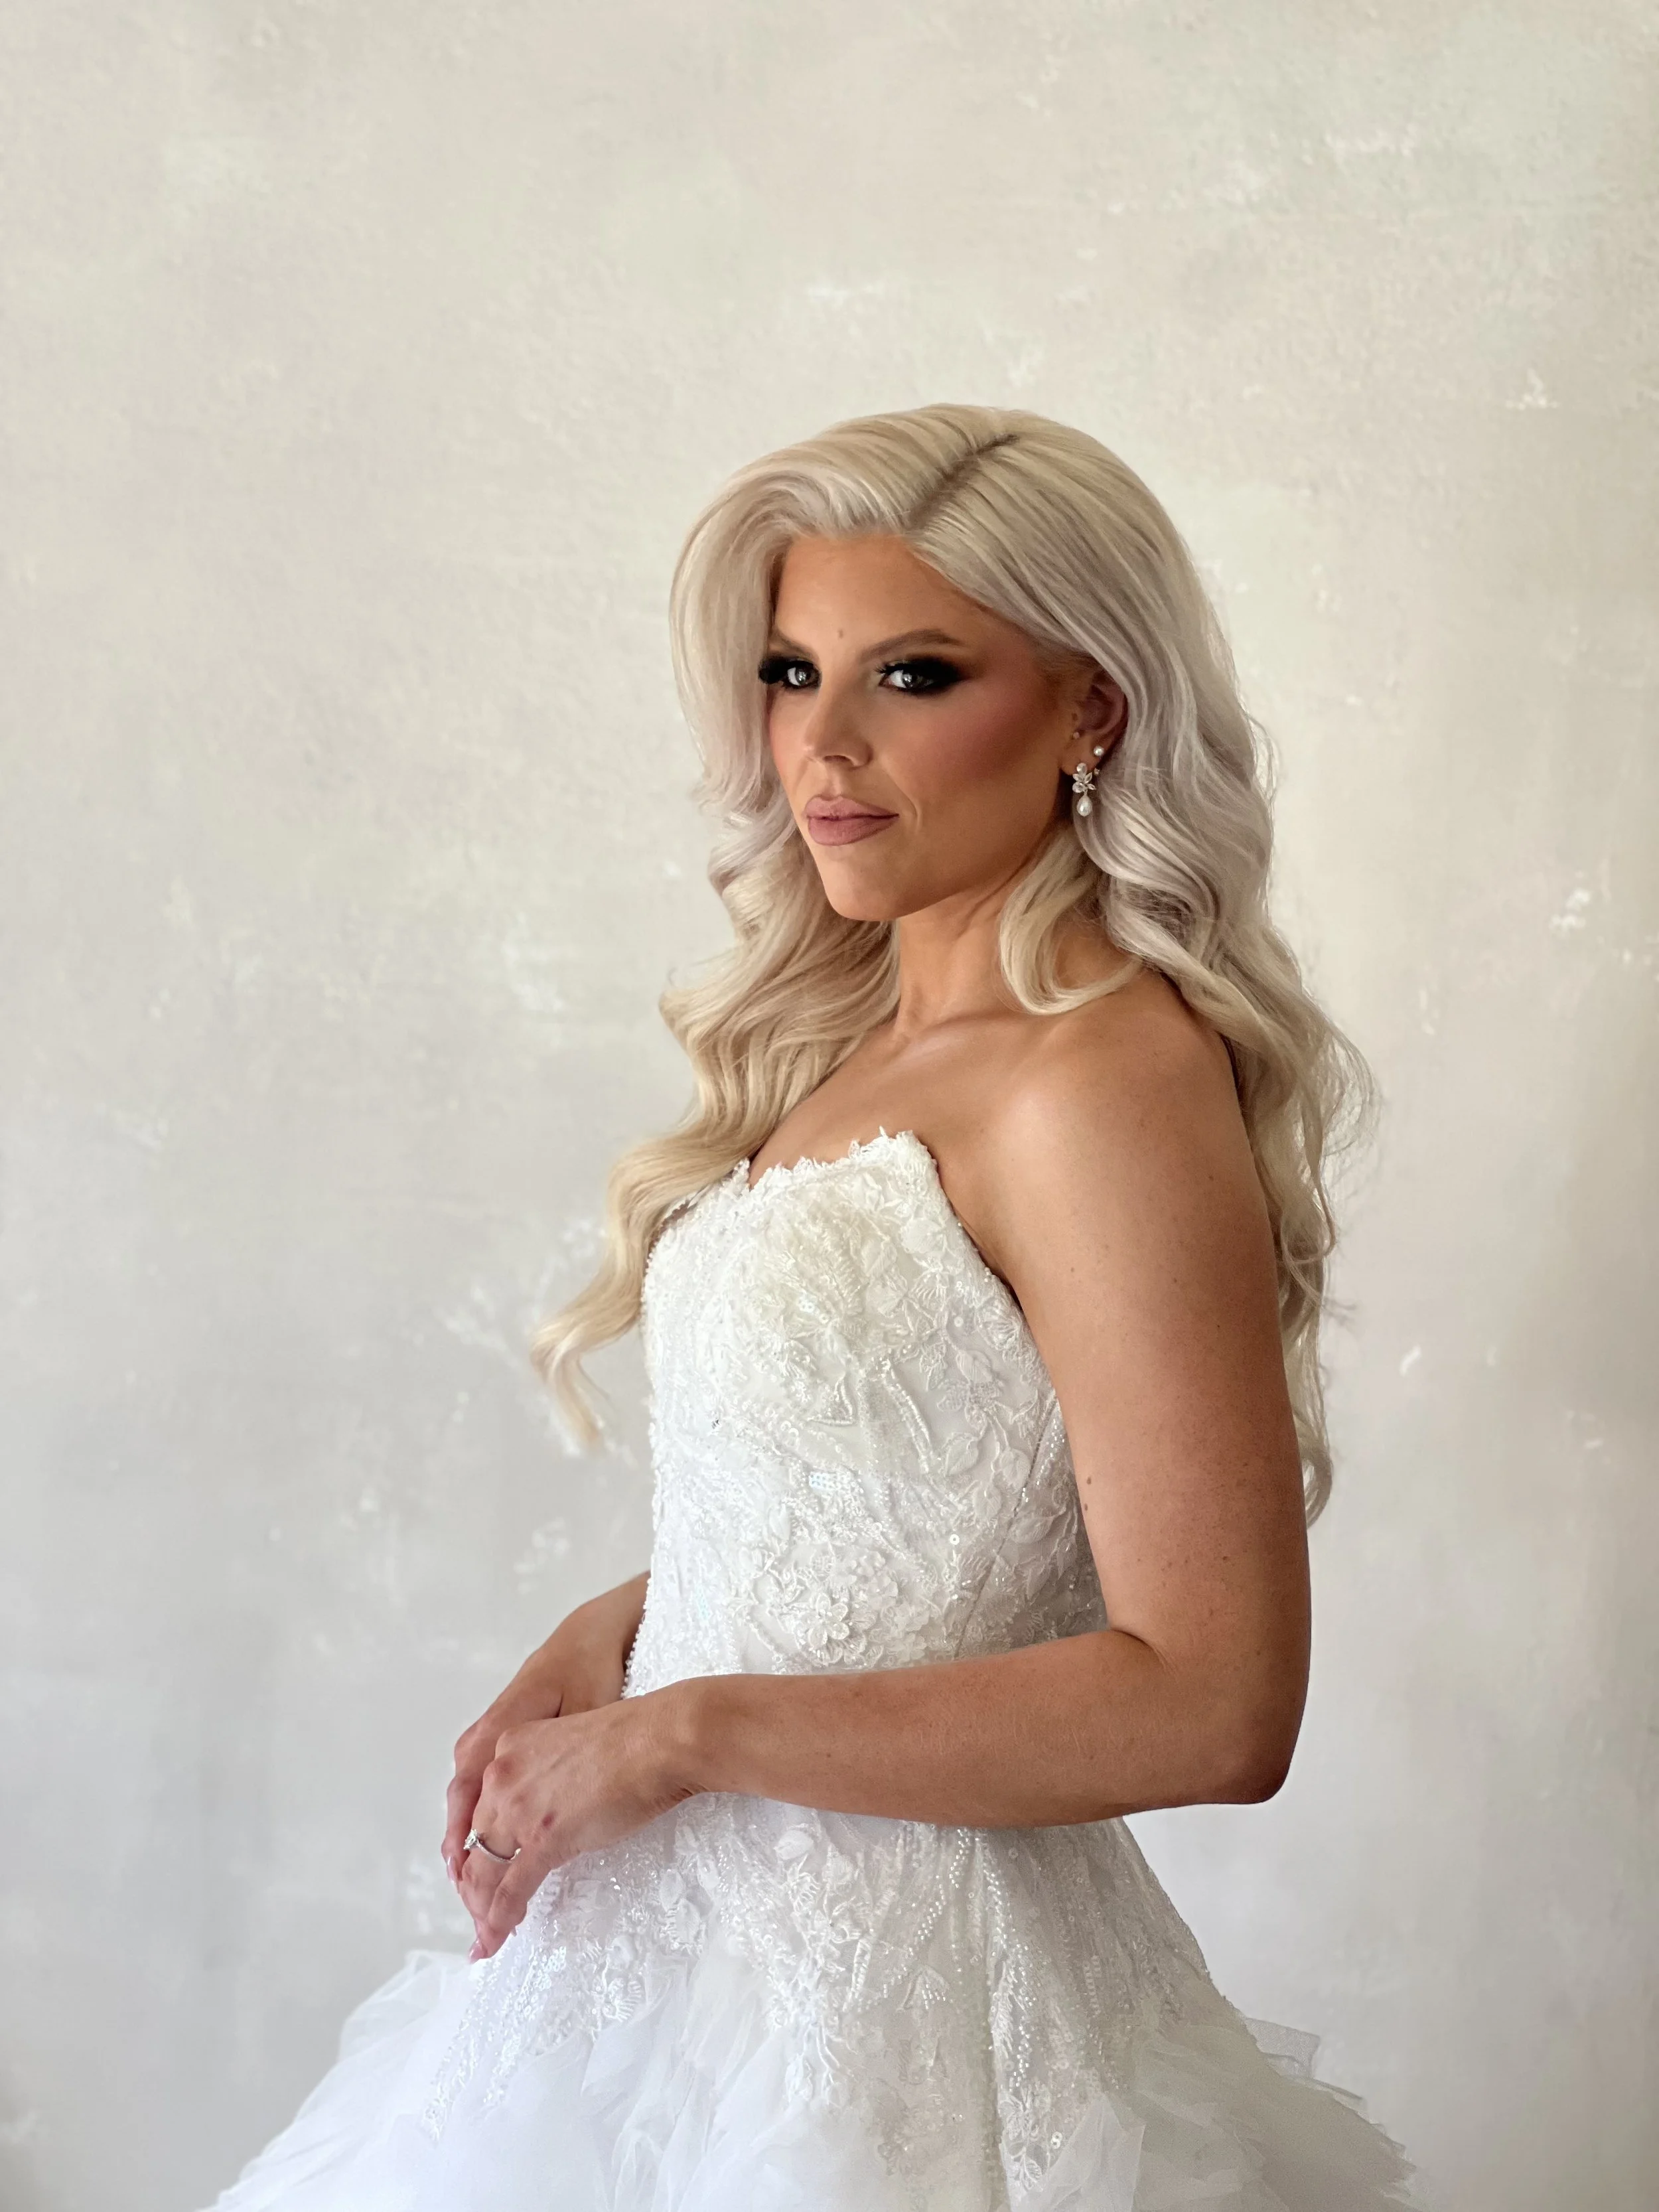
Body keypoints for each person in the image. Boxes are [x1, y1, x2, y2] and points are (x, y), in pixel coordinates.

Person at [205, 404, 1417, 2209]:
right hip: (659, 1994)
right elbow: (935, 1508)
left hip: (907, 2035)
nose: (822, 747)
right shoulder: (859, 1053)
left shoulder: (1096, 1081)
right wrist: (629, 1629)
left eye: (913, 674)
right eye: (790, 672)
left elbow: (1212, 1701)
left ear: (1091, 706)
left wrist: (687, 1728)